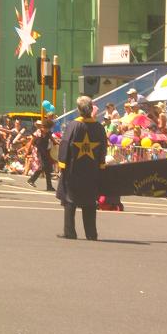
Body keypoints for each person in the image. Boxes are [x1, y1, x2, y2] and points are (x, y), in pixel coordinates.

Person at [56, 96, 107, 240]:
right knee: (90, 201)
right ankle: (91, 233)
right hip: (92, 169)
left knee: (70, 199)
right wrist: (101, 164)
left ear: (79, 109)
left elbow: (65, 144)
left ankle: (70, 232)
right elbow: (103, 146)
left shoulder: (73, 125)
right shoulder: (99, 127)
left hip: (74, 168)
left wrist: (62, 164)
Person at [27, 119, 57, 191]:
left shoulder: (48, 133)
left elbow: (53, 140)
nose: (46, 129)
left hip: (45, 151)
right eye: (45, 128)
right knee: (42, 166)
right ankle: (31, 180)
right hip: (38, 151)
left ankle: (49, 186)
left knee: (48, 168)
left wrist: (57, 143)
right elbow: (31, 142)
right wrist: (28, 151)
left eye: (48, 128)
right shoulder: (37, 133)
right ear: (42, 127)